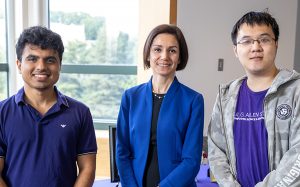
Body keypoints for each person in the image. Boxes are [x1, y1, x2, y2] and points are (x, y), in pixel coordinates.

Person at [208, 11, 300, 187]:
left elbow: (297, 158)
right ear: (235, 49)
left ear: (276, 44)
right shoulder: (226, 97)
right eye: (247, 41)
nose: (256, 47)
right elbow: (216, 150)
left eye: (264, 39)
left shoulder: (295, 91)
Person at [0, 26, 97, 187]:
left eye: (50, 60)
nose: (41, 66)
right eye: (32, 59)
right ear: (18, 64)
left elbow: (87, 168)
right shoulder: (2, 113)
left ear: (60, 65)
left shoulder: (80, 113)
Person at [116, 24, 204, 187]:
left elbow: (191, 161)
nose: (164, 56)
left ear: (179, 57)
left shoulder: (193, 100)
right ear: (148, 54)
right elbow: (122, 152)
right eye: (157, 49)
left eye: (172, 50)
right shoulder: (130, 97)